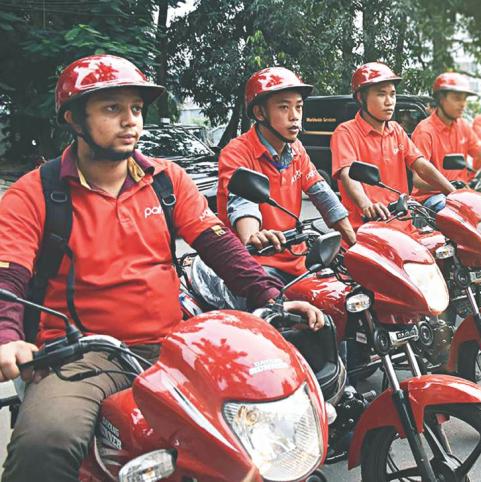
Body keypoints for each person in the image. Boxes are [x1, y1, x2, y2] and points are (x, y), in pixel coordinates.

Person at [0, 55, 324, 480]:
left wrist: (273, 297)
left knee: (247, 435)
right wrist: (7, 338)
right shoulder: (35, 193)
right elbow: (11, 275)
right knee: (46, 440)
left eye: (135, 109)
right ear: (75, 119)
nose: (130, 121)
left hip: (173, 346)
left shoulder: (167, 180)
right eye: (112, 109)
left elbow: (220, 246)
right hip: (84, 356)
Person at [202, 67, 356, 306]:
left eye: (299, 107)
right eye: (284, 107)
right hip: (257, 264)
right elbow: (242, 203)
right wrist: (253, 236)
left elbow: (322, 194)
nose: (295, 116)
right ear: (260, 113)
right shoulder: (238, 152)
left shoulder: (297, 150)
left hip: (298, 259)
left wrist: (356, 245)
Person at [331, 62, 454, 226]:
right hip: (367, 227)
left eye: (393, 94)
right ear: (361, 97)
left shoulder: (396, 130)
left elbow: (421, 165)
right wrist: (366, 204)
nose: (389, 101)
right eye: (382, 94)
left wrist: (453, 194)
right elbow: (347, 174)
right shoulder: (345, 132)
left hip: (402, 223)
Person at [410, 72, 481, 210]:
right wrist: (451, 185)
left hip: (462, 194)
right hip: (432, 198)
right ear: (441, 99)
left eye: (464, 99)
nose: (462, 104)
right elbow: (418, 180)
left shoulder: (462, 125)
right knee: (468, 213)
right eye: (457, 99)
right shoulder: (425, 131)